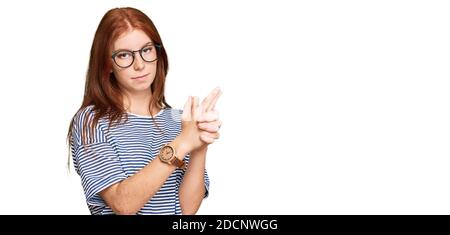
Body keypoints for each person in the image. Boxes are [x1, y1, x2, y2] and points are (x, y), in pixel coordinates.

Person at [67, 7, 222, 215]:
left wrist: (199, 146)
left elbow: (186, 211)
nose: (139, 64)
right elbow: (123, 205)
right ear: (107, 64)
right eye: (124, 55)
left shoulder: (179, 120)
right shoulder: (92, 121)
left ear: (158, 53)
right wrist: (182, 143)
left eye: (146, 50)